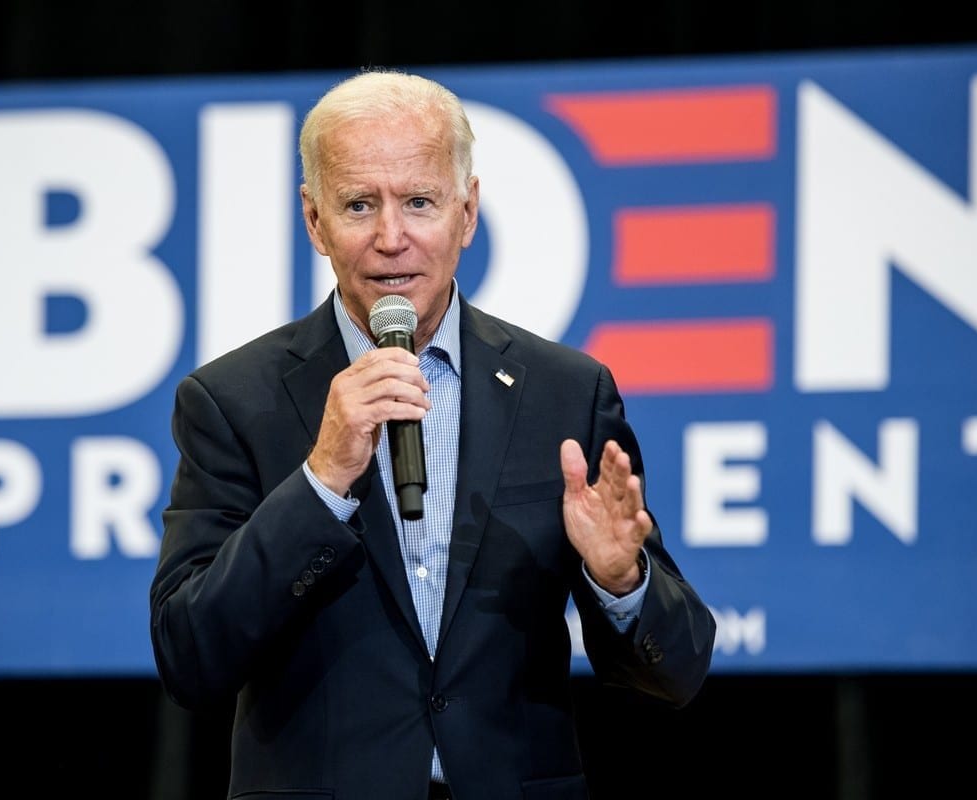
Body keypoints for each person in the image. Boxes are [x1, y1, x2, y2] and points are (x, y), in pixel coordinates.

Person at [149, 69, 715, 800]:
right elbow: (190, 656)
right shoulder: (232, 401)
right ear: (315, 220)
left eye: (419, 202)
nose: (392, 239)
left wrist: (621, 580)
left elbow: (678, 670)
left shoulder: (565, 395)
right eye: (359, 205)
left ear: (467, 212)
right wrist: (321, 482)